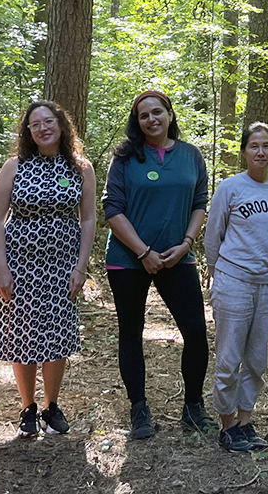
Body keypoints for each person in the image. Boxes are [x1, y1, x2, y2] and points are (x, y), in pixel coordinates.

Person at [102, 91, 217, 440]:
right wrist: (142, 252)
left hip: (177, 257)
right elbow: (112, 209)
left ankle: (193, 407)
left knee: (196, 333)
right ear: (136, 122)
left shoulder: (191, 156)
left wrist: (186, 243)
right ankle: (139, 409)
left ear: (169, 114)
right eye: (143, 116)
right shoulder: (124, 158)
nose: (151, 119)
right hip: (128, 260)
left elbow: (199, 202)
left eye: (157, 113)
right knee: (131, 333)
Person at [0, 101, 97, 438]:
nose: (43, 128)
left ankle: (51, 405)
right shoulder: (15, 166)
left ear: (62, 126)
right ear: (28, 132)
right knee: (23, 335)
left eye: (49, 121)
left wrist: (81, 267)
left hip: (64, 264)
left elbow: (89, 218)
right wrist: (0, 267)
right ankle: (27, 408)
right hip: (19, 264)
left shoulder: (80, 167)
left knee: (57, 334)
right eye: (35, 124)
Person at [205, 122, 268, 453]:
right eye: (254, 146)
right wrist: (217, 275)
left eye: (266, 145)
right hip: (233, 281)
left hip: (266, 283)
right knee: (229, 358)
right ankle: (227, 426)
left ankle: (245, 422)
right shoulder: (230, 188)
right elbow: (213, 236)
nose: (261, 152)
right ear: (244, 151)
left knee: (256, 358)